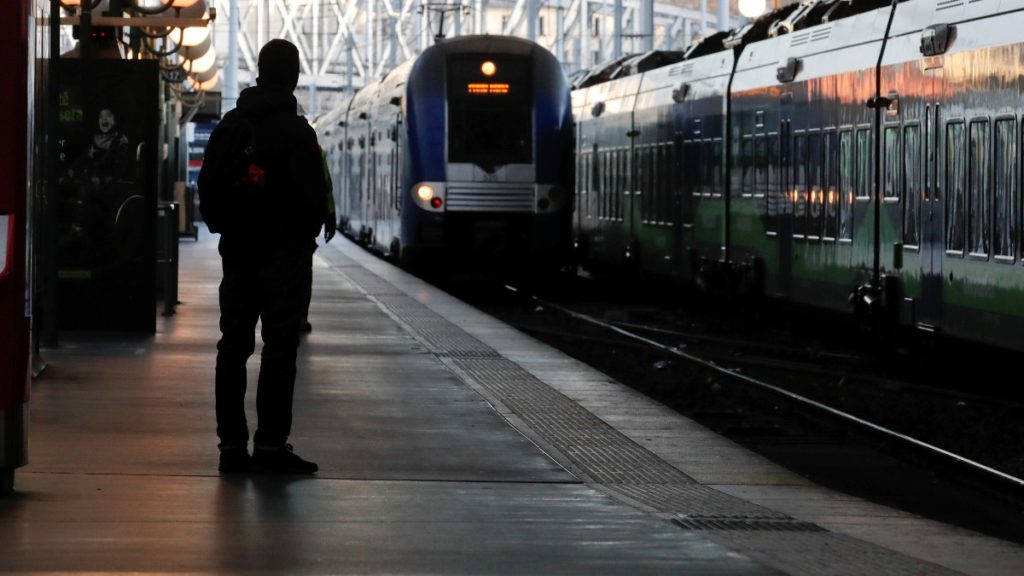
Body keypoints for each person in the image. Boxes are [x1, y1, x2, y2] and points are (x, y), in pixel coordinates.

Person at [199, 39, 334, 474]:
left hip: (238, 253)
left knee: (232, 346)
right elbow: (313, 199)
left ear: (258, 72)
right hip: (284, 258)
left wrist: (231, 228)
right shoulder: (298, 133)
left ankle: (231, 448)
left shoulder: (230, 126)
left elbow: (207, 191)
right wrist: (302, 235)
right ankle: (272, 446)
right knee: (279, 348)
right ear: (293, 76)